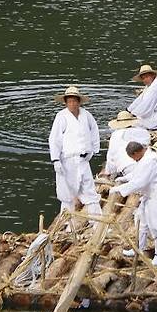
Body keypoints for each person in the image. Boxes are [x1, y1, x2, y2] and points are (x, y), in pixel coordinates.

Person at [110, 141, 157, 266]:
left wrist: (121, 189)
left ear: (136, 153)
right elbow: (138, 173)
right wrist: (125, 179)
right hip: (149, 196)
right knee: (142, 224)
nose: (134, 160)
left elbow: (140, 181)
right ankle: (139, 249)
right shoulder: (145, 157)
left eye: (133, 158)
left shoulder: (152, 160)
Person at [48, 84, 101, 218]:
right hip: (68, 160)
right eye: (69, 101)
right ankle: (66, 225)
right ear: (66, 102)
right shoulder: (61, 116)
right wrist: (55, 160)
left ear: (79, 101)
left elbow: (94, 131)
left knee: (90, 192)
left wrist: (93, 150)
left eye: (74, 101)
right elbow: (54, 139)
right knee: (67, 194)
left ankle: (98, 224)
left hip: (83, 159)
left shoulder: (86, 115)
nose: (72, 104)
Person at [102, 110, 151, 179]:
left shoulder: (115, 135)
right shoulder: (143, 131)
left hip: (126, 168)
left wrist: (109, 172)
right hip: (145, 165)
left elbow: (111, 157)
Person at [128, 64, 157, 130]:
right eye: (143, 78)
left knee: (133, 124)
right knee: (132, 122)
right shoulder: (150, 86)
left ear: (153, 75)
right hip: (155, 115)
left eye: (147, 77)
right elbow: (140, 99)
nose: (145, 80)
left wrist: (133, 114)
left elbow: (147, 105)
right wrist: (129, 110)